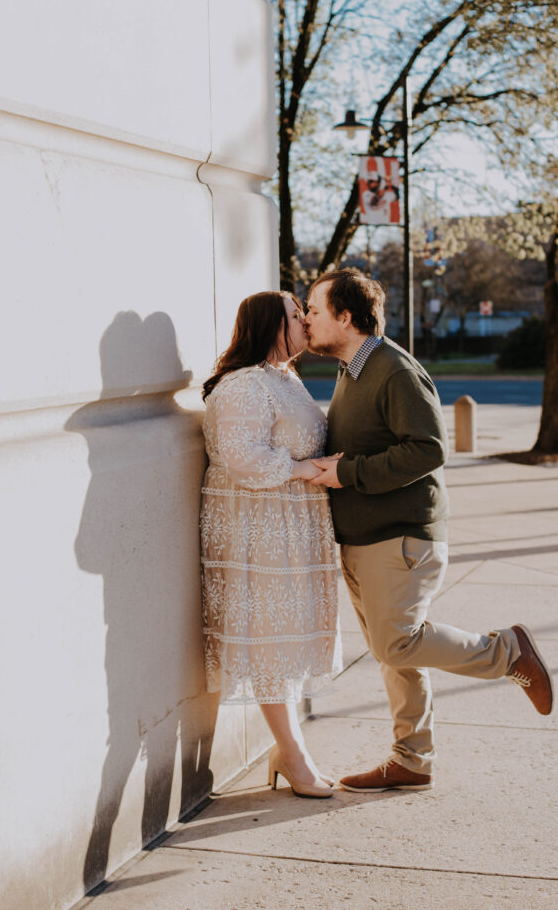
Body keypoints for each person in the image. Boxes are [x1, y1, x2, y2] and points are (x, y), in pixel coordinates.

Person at [306, 268, 554, 793]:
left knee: (398, 644)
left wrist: (347, 473)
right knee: (394, 651)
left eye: (314, 310)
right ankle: (412, 759)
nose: (307, 320)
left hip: (400, 538)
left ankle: (508, 652)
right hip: (364, 537)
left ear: (345, 317)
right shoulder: (352, 370)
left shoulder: (393, 369)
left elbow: (428, 448)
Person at [200, 291, 342, 799]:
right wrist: (306, 469)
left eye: (305, 313)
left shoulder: (284, 378)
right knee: (268, 639)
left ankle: (288, 750)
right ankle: (294, 756)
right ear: (269, 327)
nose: (306, 322)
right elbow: (242, 456)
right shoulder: (243, 385)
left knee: (282, 640)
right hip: (257, 527)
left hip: (289, 522)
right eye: (295, 316)